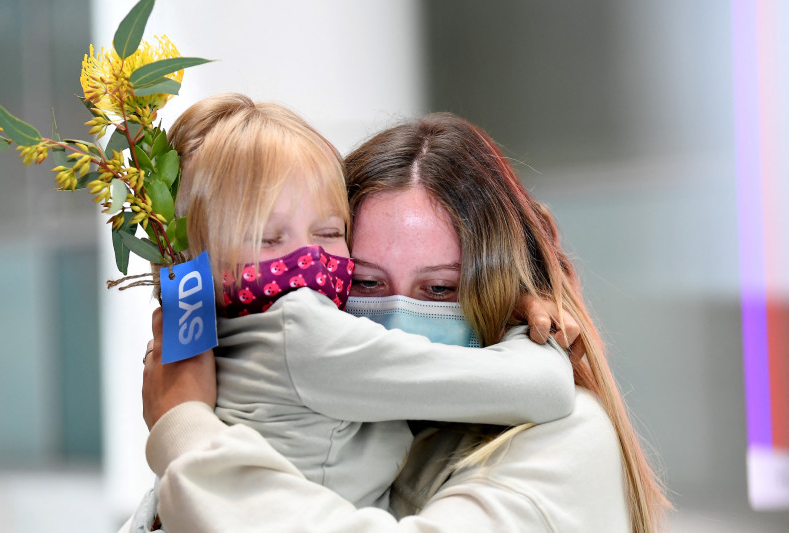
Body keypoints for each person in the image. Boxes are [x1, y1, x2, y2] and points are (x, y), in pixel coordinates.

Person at [136, 112, 670, 532]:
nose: (394, 319)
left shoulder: (566, 438)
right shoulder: (345, 406)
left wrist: (186, 430)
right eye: (366, 284)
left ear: (499, 288)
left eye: (440, 289)